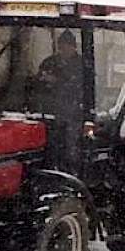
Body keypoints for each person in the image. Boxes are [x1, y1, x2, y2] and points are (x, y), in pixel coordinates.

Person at [36, 30, 84, 174]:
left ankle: (70, 173)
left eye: (67, 46)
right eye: (61, 46)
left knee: (69, 146)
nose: (63, 49)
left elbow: (80, 87)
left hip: (74, 112)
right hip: (49, 112)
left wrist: (57, 82)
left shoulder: (82, 64)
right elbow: (37, 83)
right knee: (48, 146)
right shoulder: (49, 62)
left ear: (74, 47)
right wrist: (42, 80)